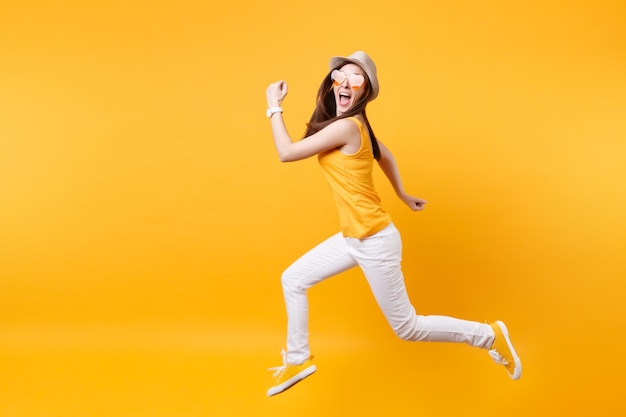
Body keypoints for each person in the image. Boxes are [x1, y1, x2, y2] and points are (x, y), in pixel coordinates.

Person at [264, 51, 521, 397]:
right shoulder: (358, 127)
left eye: (356, 80)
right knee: (292, 278)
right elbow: (385, 155)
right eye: (341, 76)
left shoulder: (346, 126)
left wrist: (273, 105)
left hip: (375, 241)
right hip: (353, 237)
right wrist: (401, 193)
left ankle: (489, 336)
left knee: (408, 327)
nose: (345, 83)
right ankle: (297, 358)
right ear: (332, 84)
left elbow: (286, 152)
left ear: (365, 91)